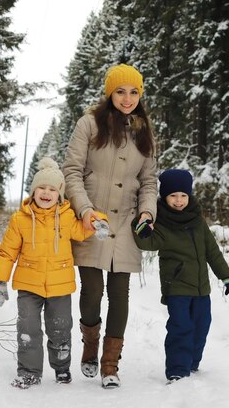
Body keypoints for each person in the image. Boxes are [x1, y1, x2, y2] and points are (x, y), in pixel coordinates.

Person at [62, 63, 158, 388]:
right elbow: (71, 171)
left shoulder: (144, 130)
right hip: (91, 222)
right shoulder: (89, 124)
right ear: (110, 93)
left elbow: (149, 181)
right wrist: (85, 210)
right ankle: (90, 344)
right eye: (121, 91)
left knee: (120, 295)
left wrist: (147, 212)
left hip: (127, 223)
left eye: (134, 91)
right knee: (91, 293)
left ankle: (110, 365)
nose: (127, 98)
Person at [0, 157, 109, 389]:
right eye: (41, 188)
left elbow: (83, 228)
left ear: (60, 194)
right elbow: (7, 252)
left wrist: (99, 222)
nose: (46, 193)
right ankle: (29, 372)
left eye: (52, 189)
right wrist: (0, 280)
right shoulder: (19, 220)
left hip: (60, 285)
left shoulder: (66, 217)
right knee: (28, 329)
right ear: (33, 192)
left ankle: (62, 368)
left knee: (60, 328)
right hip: (28, 285)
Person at [131, 169, 229, 384]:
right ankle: (178, 369)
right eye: (173, 196)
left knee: (202, 324)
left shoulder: (197, 219)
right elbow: (147, 242)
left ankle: (192, 362)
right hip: (176, 286)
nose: (179, 201)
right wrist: (141, 227)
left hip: (200, 288)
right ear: (165, 197)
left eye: (183, 196)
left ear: (190, 196)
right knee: (180, 326)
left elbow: (212, 251)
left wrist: (225, 276)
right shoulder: (162, 222)